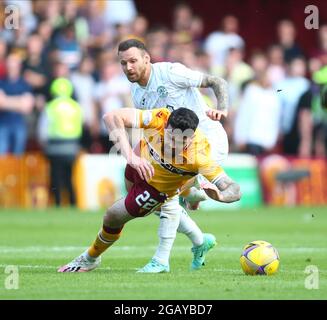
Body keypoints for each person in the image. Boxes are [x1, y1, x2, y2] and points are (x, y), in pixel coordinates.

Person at [58, 107, 241, 273]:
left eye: (182, 140)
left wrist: (222, 197)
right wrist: (130, 157)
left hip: (157, 188)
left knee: (113, 216)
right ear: (166, 125)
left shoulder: (200, 157)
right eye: (170, 137)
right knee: (160, 207)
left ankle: (90, 258)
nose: (174, 145)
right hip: (140, 164)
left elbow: (234, 189)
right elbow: (111, 116)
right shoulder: (159, 118)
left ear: (191, 137)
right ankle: (199, 233)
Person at [117, 39, 229, 273]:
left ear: (146, 58)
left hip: (206, 143)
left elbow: (216, 81)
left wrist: (222, 108)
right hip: (174, 150)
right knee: (151, 200)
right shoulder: (137, 90)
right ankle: (200, 238)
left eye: (133, 61)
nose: (128, 67)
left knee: (164, 194)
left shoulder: (170, 72)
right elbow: (151, 127)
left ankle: (161, 260)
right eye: (123, 63)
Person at [37, 77, 83, 206]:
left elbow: (42, 129)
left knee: (55, 177)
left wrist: (43, 144)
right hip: (72, 148)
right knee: (69, 177)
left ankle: (57, 203)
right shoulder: (76, 106)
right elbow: (82, 125)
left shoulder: (50, 107)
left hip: (54, 148)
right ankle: (73, 202)